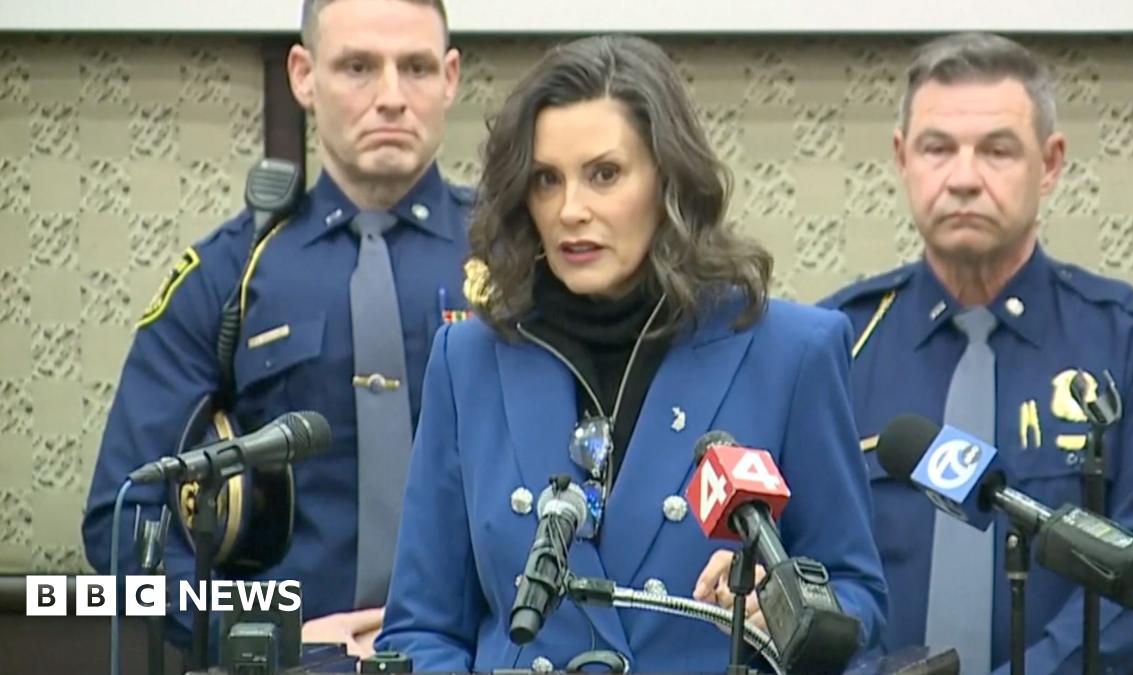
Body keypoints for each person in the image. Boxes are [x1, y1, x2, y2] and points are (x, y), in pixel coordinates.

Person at [373, 34, 887, 673]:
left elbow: (857, 595)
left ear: (668, 179)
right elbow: (422, 630)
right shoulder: (470, 359)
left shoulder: (790, 352)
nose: (570, 210)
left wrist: (784, 600)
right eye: (545, 180)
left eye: (604, 175)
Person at [81, 0, 471, 657]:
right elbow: (121, 517)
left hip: (480, 654)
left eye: (416, 68)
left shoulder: (522, 260)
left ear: (451, 78)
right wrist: (255, 628)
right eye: (357, 67)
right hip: (291, 659)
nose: (391, 97)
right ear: (303, 75)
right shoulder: (229, 273)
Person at [821, 31, 1133, 674]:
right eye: (938, 148)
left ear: (1049, 164)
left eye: (997, 150)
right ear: (901, 158)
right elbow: (793, 561)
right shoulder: (832, 346)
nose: (964, 178)